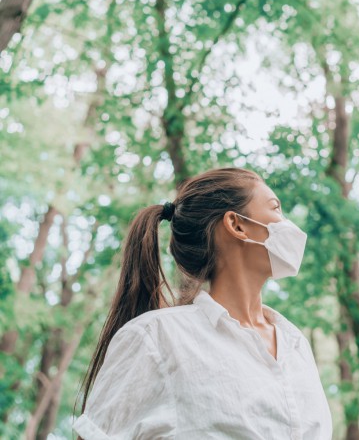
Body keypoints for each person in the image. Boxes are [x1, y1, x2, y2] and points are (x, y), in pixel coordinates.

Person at [72, 167, 333, 439]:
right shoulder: (157, 338)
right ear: (237, 225)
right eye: (276, 209)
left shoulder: (295, 343)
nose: (287, 224)